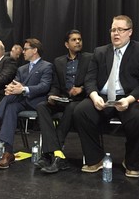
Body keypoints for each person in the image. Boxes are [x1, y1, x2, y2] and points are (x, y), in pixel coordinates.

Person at [73, 15, 139, 178]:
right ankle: (95, 159)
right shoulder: (100, 52)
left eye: (120, 30)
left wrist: (128, 99)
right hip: (103, 97)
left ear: (130, 32)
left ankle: (131, 160)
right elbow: (89, 79)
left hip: (129, 98)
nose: (115, 33)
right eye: (113, 29)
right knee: (81, 111)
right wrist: (94, 96)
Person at [0, 38, 53, 169]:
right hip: (20, 101)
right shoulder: (22, 68)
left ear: (35, 50)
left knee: (9, 101)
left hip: (36, 101)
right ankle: (8, 153)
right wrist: (10, 88)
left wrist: (23, 89)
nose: (23, 51)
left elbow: (45, 86)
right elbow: (15, 82)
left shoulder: (46, 66)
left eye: (25, 49)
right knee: (10, 107)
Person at [35, 30, 92, 173]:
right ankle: (56, 153)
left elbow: (94, 80)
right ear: (67, 44)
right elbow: (55, 85)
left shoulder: (89, 58)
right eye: (74, 40)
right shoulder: (58, 61)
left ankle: (50, 154)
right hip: (63, 98)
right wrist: (52, 96)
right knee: (42, 106)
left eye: (79, 39)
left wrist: (82, 89)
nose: (78, 42)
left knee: (72, 107)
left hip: (80, 100)